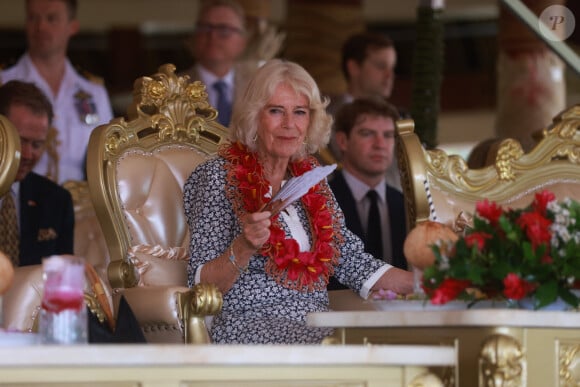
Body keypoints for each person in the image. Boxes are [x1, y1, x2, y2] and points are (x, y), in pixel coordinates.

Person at [184, 59, 414, 344]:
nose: (289, 124)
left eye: (300, 112)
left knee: (396, 342)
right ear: (254, 116)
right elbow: (200, 286)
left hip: (317, 323)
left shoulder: (312, 182)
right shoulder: (217, 177)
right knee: (347, 348)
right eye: (276, 111)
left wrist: (427, 283)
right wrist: (244, 246)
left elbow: (350, 259)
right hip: (248, 325)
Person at [0, 0, 113, 184]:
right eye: (33, 18)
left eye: (51, 18)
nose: (41, 26)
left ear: (73, 26)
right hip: (17, 202)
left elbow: (109, 159)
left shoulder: (93, 92)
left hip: (80, 206)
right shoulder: (4, 82)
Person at [327, 97, 408, 290]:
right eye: (367, 133)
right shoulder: (322, 200)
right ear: (342, 141)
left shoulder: (405, 204)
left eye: (388, 135)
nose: (380, 144)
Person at [0, 80, 74, 267]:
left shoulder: (57, 200)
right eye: (20, 141)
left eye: (37, 145)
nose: (27, 154)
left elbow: (63, 278)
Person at [322, 32, 403, 191]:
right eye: (381, 66)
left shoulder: (398, 118)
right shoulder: (326, 119)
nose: (390, 75)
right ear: (354, 68)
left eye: (392, 68)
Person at [181, 0, 251, 127]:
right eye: (206, 28)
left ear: (242, 42)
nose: (212, 35)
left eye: (223, 30)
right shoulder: (174, 88)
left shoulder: (256, 87)